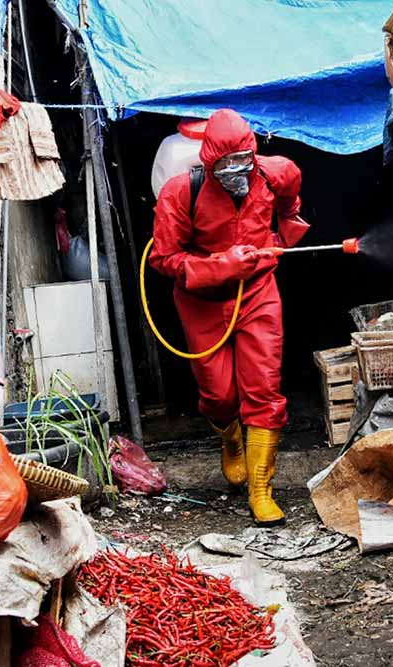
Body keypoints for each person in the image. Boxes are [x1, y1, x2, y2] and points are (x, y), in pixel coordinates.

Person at [149, 109, 309, 525]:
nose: (237, 169)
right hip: (201, 300)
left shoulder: (276, 173)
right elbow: (165, 259)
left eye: (244, 158)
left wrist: (283, 233)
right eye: (226, 162)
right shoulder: (181, 192)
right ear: (209, 160)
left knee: (263, 387)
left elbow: (291, 201)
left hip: (258, 292)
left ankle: (261, 490)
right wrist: (220, 265)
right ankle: (230, 440)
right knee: (219, 394)